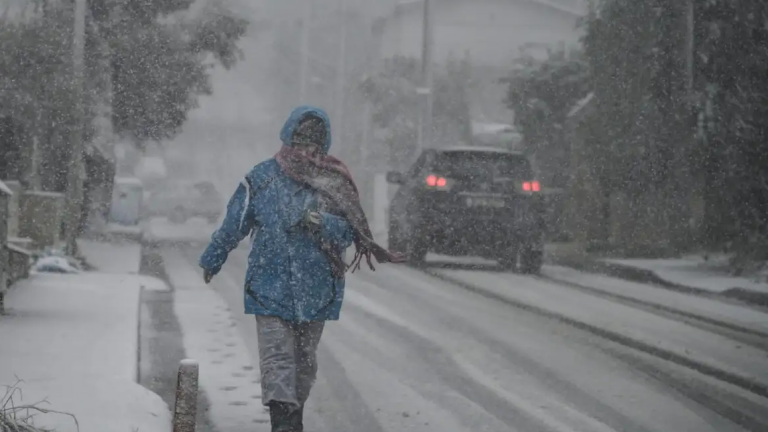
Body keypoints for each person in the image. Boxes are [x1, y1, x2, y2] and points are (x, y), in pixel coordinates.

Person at [199, 105, 405, 432]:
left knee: (304, 366)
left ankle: (292, 416)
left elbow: (349, 232)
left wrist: (320, 222)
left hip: (317, 290)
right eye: (300, 140)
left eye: (313, 142)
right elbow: (234, 223)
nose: (306, 148)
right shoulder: (261, 179)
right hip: (268, 287)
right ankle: (285, 423)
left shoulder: (334, 183)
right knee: (277, 361)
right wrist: (214, 257)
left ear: (323, 145)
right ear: (287, 138)